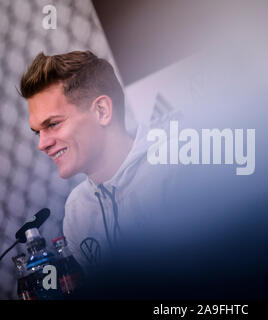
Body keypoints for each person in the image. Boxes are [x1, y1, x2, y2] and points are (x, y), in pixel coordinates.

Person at [20, 51, 176, 272]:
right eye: (38, 132)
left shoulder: (177, 170)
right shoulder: (76, 212)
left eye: (53, 124)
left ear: (102, 111)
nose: (42, 144)